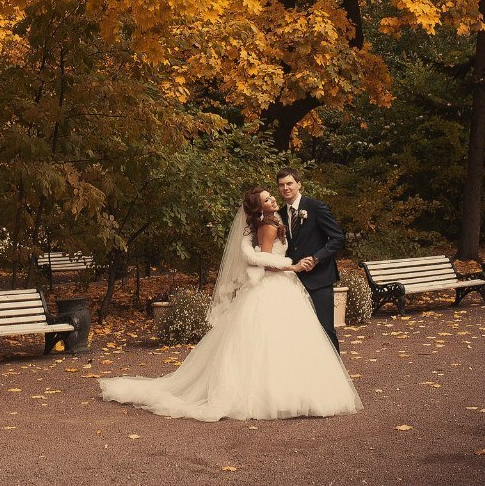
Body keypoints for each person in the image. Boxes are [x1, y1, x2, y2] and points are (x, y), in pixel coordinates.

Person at [98, 187, 362, 421]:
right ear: (260, 207)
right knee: (273, 341)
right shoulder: (268, 225)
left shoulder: (272, 220)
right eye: (268, 198)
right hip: (274, 288)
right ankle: (279, 395)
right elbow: (265, 260)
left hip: (280, 287)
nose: (273, 198)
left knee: (281, 341)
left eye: (272, 195)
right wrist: (291, 266)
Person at [277, 167, 346, 352]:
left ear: (299, 184)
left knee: (325, 329)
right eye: (282, 185)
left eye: (290, 183)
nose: (286, 188)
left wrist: (316, 258)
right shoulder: (280, 214)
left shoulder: (316, 207)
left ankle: (335, 374)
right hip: (293, 281)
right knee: (300, 331)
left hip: (320, 279)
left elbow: (338, 238)